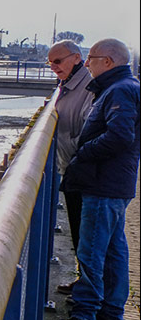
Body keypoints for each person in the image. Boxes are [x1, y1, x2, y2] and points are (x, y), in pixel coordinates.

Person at [55, 38, 140, 320]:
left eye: (90, 58)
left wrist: (83, 152)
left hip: (103, 183)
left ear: (108, 61)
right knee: (115, 252)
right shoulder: (121, 87)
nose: (86, 64)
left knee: (91, 251)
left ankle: (84, 315)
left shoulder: (119, 90)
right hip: (114, 183)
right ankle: (111, 314)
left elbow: (119, 136)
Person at [47, 40, 95, 293]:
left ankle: (88, 291)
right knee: (80, 231)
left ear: (76, 58)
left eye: (58, 61)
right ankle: (85, 284)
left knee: (86, 234)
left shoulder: (88, 87)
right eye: (50, 62)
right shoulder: (66, 85)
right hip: (70, 168)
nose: (53, 67)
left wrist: (75, 156)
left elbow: (90, 131)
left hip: (82, 170)